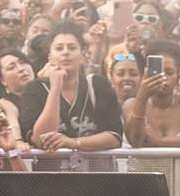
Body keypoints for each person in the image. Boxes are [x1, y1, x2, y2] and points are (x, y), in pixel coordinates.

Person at [20, 21, 123, 152]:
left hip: (95, 170)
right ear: (50, 57)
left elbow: (115, 137)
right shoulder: (34, 89)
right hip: (51, 170)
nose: (65, 52)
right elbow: (40, 140)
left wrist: (73, 142)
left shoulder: (98, 85)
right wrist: (55, 90)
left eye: (72, 47)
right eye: (59, 48)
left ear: (83, 54)